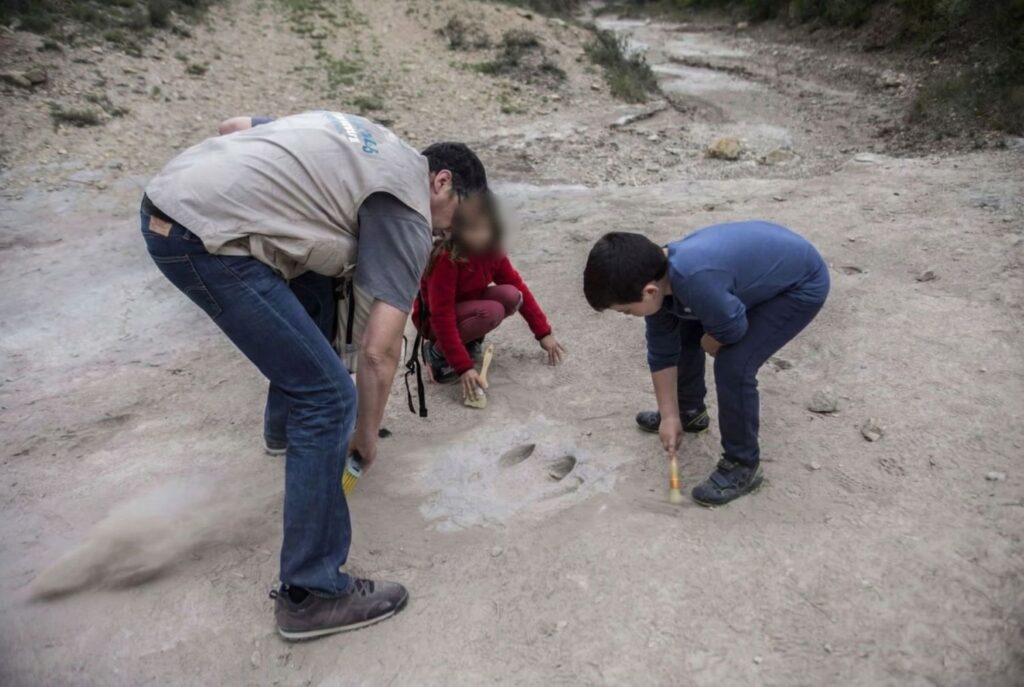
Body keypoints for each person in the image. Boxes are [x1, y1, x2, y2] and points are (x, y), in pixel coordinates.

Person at [140, 111, 488, 639]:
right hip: (198, 237)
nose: (447, 232)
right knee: (328, 398)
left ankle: (284, 433)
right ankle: (310, 593)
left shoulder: (372, 141)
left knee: (317, 288)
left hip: (169, 194)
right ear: (441, 183)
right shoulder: (409, 212)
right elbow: (379, 353)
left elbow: (235, 126)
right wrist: (364, 434)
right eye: (456, 218)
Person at [583, 220, 829, 506]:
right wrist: (670, 415)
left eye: (626, 311)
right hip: (743, 279)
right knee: (682, 326)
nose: (628, 315)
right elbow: (662, 352)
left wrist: (710, 340)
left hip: (798, 286)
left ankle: (742, 464)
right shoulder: (658, 278)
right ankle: (689, 412)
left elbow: (733, 330)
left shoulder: (696, 280)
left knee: (734, 364)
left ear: (649, 291)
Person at [413, 194, 565, 401]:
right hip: (432, 321)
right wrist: (464, 367)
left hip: (466, 308)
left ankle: (469, 339)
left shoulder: (492, 252)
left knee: (512, 295)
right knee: (491, 312)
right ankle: (437, 353)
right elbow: (441, 315)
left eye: (484, 228)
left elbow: (519, 287)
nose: (479, 236)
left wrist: (543, 333)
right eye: (471, 229)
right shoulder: (446, 259)